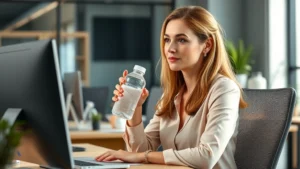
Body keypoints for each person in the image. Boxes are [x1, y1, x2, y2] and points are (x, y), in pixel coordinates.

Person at [95, 6, 247, 169]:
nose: (170, 48)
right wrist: (135, 107)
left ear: (207, 45)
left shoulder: (224, 89)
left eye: (181, 40)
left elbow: (206, 156)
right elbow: (138, 151)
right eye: (167, 39)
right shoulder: (171, 94)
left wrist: (142, 156)